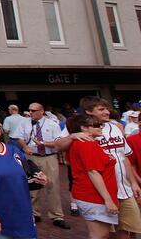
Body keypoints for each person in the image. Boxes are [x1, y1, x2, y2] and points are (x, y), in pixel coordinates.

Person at [54, 95, 141, 237]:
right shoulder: (80, 128)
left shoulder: (116, 127)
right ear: (89, 111)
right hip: (101, 191)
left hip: (124, 189)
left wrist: (133, 183)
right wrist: (72, 136)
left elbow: (124, 156)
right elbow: (57, 146)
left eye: (107, 109)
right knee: (105, 232)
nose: (107, 112)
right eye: (101, 109)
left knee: (128, 230)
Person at [12, 101, 70, 230]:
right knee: (32, 186)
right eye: (29, 110)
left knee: (52, 186)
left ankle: (57, 216)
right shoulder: (24, 123)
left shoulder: (52, 124)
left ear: (42, 111)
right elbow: (19, 137)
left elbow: (58, 142)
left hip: (48, 157)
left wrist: (43, 143)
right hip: (31, 157)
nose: (30, 113)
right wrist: (25, 147)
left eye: (33, 110)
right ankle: (35, 213)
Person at [66, 113, 120, 239]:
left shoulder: (86, 143)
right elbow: (93, 172)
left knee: (103, 234)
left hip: (94, 195)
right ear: (84, 128)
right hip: (92, 196)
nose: (100, 127)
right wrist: (108, 200)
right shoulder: (86, 144)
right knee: (99, 235)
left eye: (100, 125)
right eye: (96, 125)